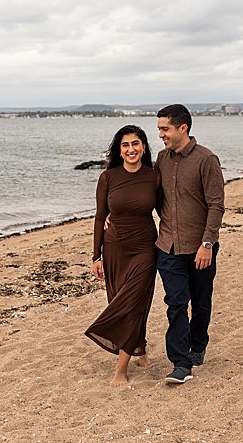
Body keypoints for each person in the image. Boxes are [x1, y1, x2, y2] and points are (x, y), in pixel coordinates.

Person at [84, 125, 161, 388]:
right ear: (119, 149)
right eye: (126, 145)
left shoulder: (154, 177)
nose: (131, 149)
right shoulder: (108, 177)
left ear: (144, 147)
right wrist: (97, 256)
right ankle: (140, 348)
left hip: (144, 249)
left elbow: (168, 210)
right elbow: (98, 217)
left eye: (136, 144)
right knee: (123, 301)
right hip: (115, 248)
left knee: (131, 303)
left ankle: (120, 369)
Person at [153, 104, 224, 384]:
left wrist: (207, 243)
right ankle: (181, 363)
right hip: (168, 246)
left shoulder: (207, 160)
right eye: (159, 129)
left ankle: (199, 345)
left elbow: (216, 205)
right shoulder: (161, 158)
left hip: (199, 247)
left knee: (201, 303)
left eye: (164, 129)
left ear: (183, 128)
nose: (160, 134)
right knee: (176, 303)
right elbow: (153, 196)